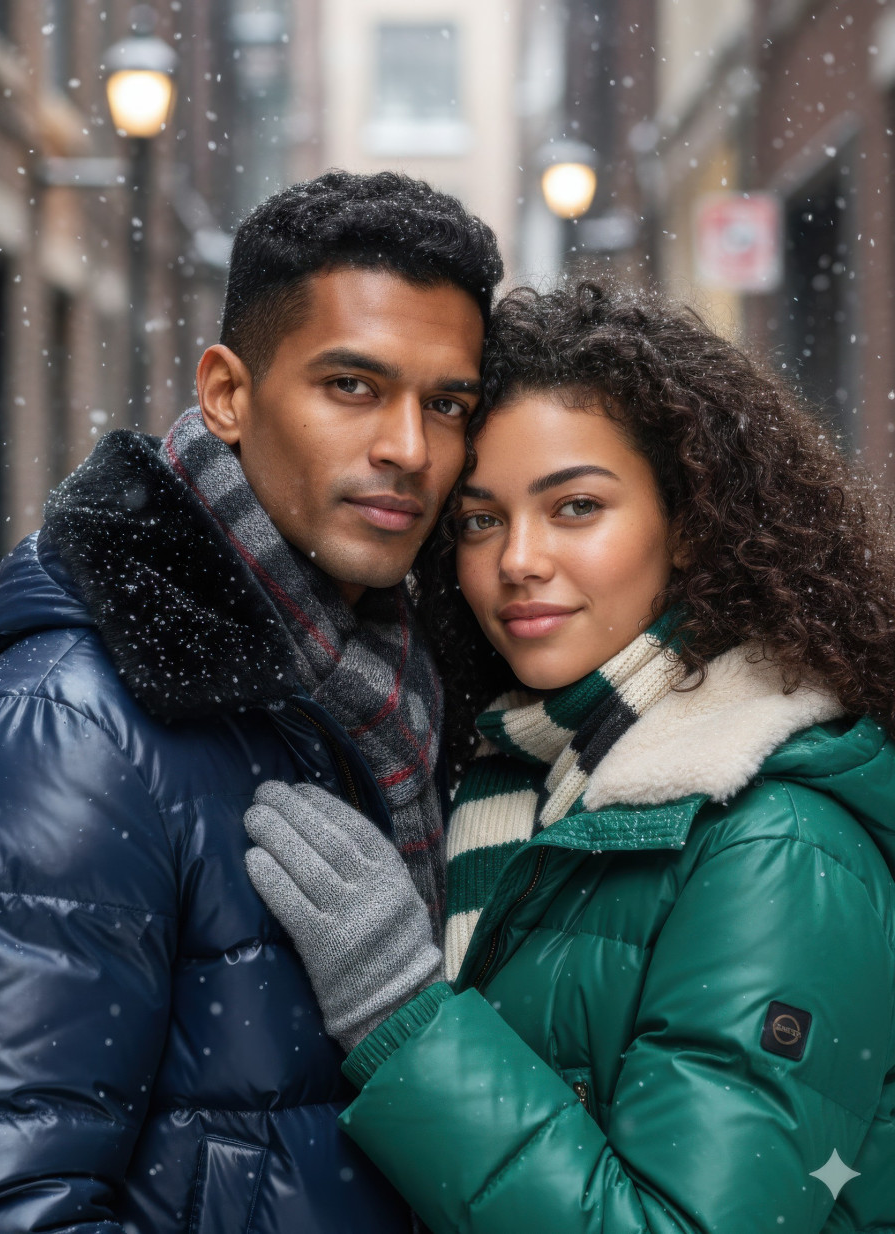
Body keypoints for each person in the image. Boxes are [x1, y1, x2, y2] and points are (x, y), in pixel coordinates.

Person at [246, 281, 895, 1233]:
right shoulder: (522, 780)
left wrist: (403, 1018)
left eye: (576, 507)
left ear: (688, 527)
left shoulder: (779, 848)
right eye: (478, 519)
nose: (518, 559)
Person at [0, 170, 502, 1232]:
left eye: (447, 404)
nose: (409, 449)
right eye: (352, 386)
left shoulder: (396, 689)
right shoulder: (67, 729)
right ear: (229, 394)